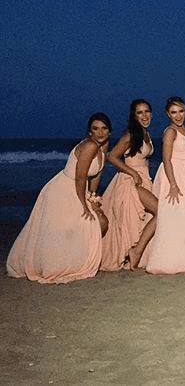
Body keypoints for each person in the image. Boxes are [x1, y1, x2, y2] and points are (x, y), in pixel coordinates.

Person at [7, 113, 111, 283]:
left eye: (104, 128)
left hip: (77, 189)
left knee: (90, 224)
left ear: (109, 131)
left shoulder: (103, 147)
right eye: (95, 129)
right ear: (89, 131)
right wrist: (84, 205)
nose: (100, 133)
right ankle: (60, 265)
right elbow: (79, 177)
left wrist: (93, 197)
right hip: (63, 190)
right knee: (65, 230)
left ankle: (75, 261)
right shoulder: (90, 146)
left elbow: (97, 174)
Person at [142, 97, 185, 274]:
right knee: (173, 215)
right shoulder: (170, 132)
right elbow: (166, 159)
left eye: (181, 111)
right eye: (173, 112)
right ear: (168, 114)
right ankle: (168, 259)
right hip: (172, 176)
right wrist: (173, 185)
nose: (178, 116)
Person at [101, 99, 157, 271]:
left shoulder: (145, 134)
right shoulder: (131, 135)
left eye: (147, 111)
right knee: (161, 211)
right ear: (134, 116)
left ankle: (136, 252)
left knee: (148, 217)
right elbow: (111, 156)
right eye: (140, 112)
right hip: (131, 181)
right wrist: (133, 173)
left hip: (143, 178)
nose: (144, 115)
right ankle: (136, 251)